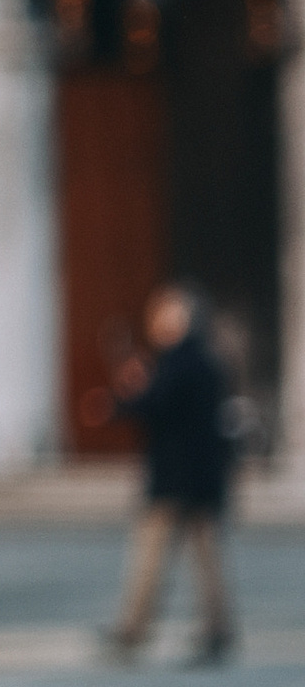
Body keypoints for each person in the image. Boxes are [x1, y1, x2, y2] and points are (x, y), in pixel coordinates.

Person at [102, 284, 240, 665]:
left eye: (163, 314)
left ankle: (134, 630)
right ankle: (217, 631)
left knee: (151, 557)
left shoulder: (178, 363)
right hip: (202, 477)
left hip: (176, 478)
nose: (156, 322)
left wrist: (122, 399)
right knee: (207, 559)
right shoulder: (205, 360)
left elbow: (155, 405)